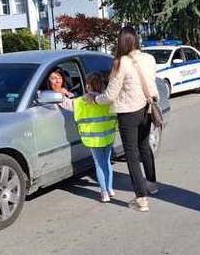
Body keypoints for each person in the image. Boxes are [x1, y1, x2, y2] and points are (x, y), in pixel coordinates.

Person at [85, 26, 159, 212]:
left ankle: (141, 199)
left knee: (132, 155)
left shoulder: (121, 63)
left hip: (128, 113)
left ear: (121, 42)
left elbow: (110, 95)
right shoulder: (149, 59)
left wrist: (95, 98)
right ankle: (151, 183)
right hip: (147, 109)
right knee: (144, 146)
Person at [61, 72, 116, 202]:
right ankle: (110, 188)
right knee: (107, 163)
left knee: (99, 164)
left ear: (88, 86)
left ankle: (104, 193)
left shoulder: (81, 101)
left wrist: (61, 93)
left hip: (92, 138)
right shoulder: (107, 101)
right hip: (108, 136)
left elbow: (65, 104)